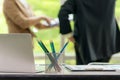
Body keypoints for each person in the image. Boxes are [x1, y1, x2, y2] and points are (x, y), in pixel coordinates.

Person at [58, 0, 120, 65]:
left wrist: (68, 34)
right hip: (108, 39)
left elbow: (63, 13)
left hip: (85, 40)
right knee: (102, 70)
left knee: (84, 72)